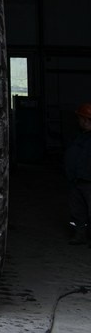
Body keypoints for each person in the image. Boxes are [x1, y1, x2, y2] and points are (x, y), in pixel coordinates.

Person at [67, 102, 91, 245]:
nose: (79, 121)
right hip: (76, 179)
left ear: (86, 119)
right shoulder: (79, 135)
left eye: (81, 118)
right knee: (77, 210)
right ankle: (79, 234)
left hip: (89, 180)